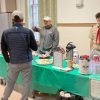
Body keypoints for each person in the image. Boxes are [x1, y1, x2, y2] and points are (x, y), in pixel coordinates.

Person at [1, 10, 38, 100]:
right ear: (22, 19)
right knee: (26, 83)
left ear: (13, 19)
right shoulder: (28, 32)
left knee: (10, 83)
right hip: (26, 62)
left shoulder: (5, 32)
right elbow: (35, 48)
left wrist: (8, 60)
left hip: (13, 62)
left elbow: (3, 49)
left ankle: (5, 98)